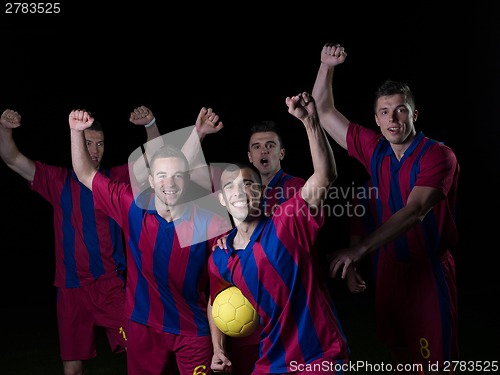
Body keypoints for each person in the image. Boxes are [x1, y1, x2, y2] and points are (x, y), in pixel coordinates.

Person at [312, 43, 460, 374]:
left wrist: (359, 249)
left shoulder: (438, 155)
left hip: (427, 271)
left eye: (401, 109)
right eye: (385, 112)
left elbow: (415, 211)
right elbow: (322, 111)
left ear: (414, 114)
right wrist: (325, 65)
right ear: (376, 119)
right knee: (400, 358)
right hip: (390, 270)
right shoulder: (374, 148)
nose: (393, 118)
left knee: (434, 365)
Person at [69, 108, 232, 375]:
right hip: (144, 327)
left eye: (178, 176)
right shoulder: (131, 206)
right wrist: (76, 132)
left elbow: (222, 284)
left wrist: (219, 346)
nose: (170, 183)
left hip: (192, 328)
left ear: (188, 178)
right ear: (151, 182)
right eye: (161, 177)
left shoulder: (208, 220)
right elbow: (85, 173)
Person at [0, 105, 160, 375]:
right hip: (70, 289)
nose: (95, 150)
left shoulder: (114, 180)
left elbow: (157, 160)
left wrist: (151, 125)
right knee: (72, 369)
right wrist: (4, 129)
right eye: (88, 143)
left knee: (142, 348)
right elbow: (11, 158)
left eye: (100, 144)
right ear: (76, 143)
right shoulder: (58, 180)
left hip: (109, 287)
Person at [209, 91, 349, 374]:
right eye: (231, 187)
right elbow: (214, 299)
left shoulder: (285, 221)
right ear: (221, 200)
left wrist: (311, 123)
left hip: (319, 354)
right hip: (272, 358)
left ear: (261, 192)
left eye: (248, 185)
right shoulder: (221, 255)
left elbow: (324, 176)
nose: (240, 191)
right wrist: (218, 350)